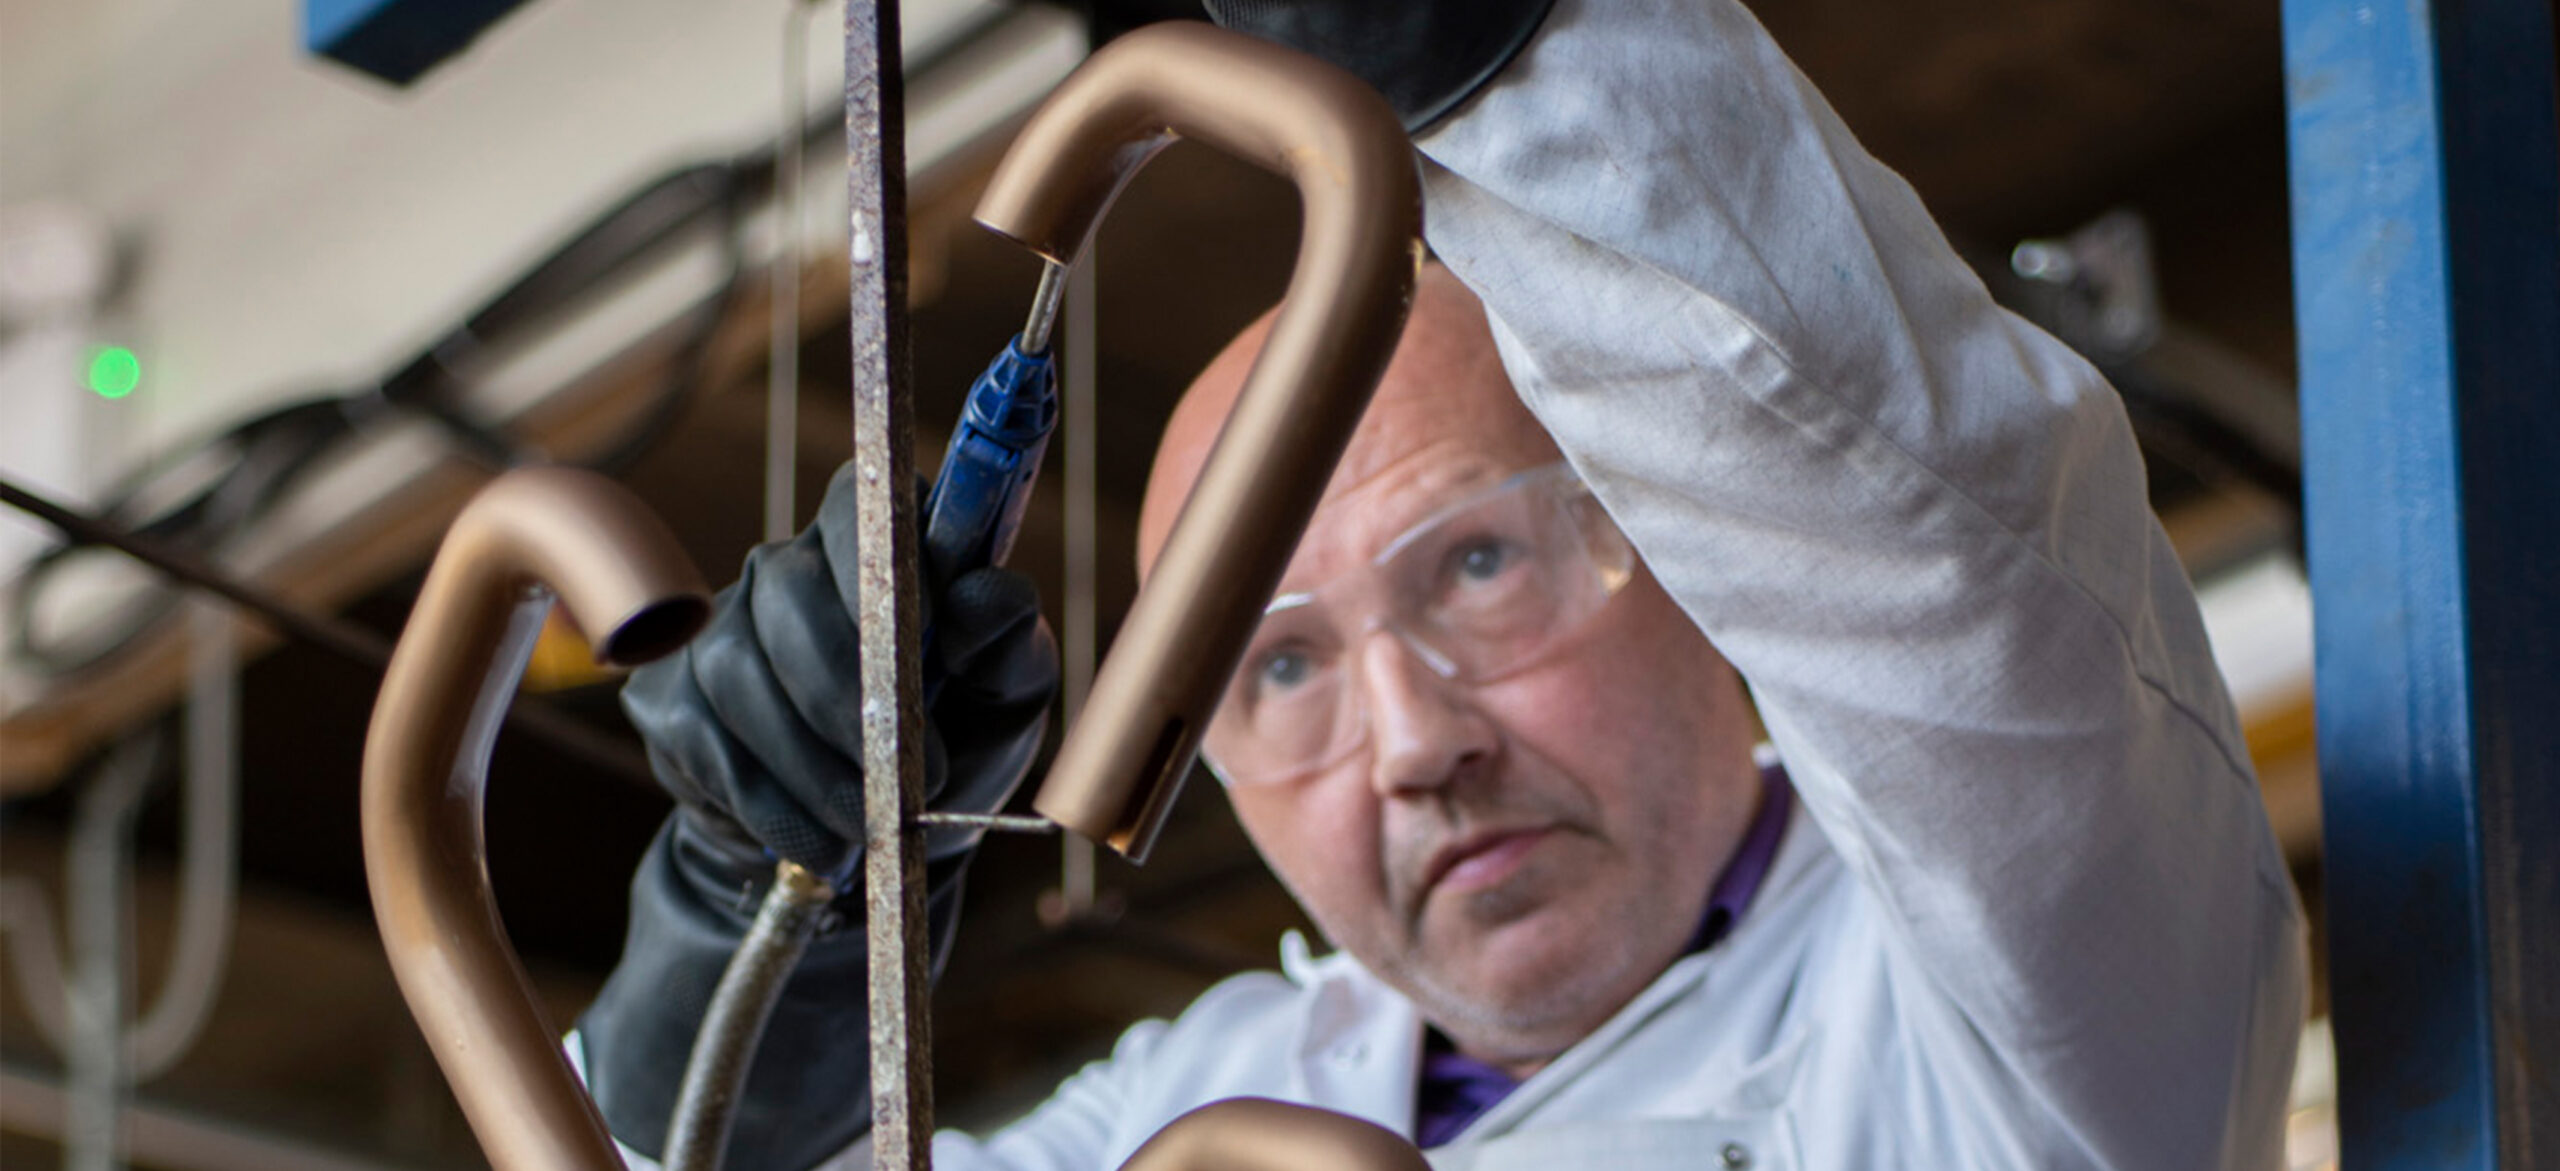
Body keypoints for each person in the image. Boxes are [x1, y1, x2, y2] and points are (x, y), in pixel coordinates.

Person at [576, 1, 2308, 1168]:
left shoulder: (2023, 991)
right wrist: (752, 958)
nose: (1416, 745)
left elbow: (1936, 565)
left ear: (1691, 549)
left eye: (1476, 565)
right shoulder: (1211, 1098)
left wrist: (1480, 42)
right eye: (1279, 669)